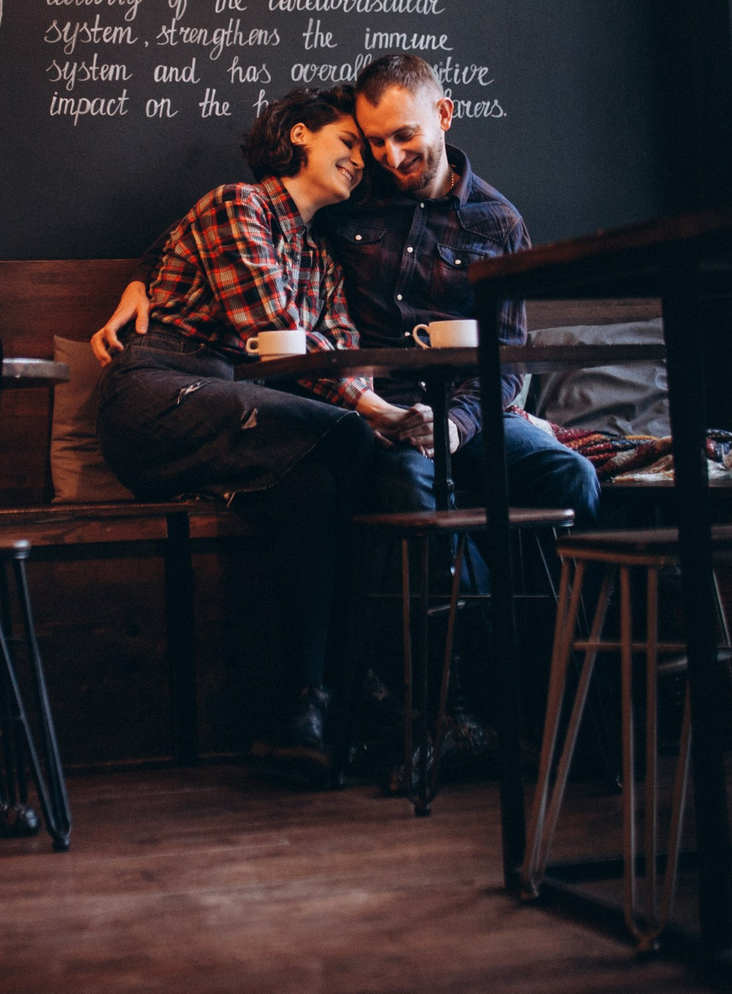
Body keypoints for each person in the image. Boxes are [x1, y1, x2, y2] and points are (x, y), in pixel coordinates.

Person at [92, 83, 433, 786]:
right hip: (158, 394)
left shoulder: (324, 263)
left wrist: (372, 406)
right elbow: (273, 333)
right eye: (349, 144)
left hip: (242, 410)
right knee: (356, 441)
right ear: (301, 135)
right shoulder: (236, 205)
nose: (361, 163)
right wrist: (375, 413)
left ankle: (301, 712)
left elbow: (341, 352)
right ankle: (366, 676)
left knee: (311, 487)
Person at [97, 53, 598, 526]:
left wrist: (456, 425)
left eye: (403, 136)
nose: (389, 157)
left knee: (571, 476)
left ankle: (565, 618)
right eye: (372, 141)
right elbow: (226, 224)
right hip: (377, 411)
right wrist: (144, 277)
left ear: (444, 114)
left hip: (469, 412)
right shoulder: (348, 196)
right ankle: (467, 617)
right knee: (401, 487)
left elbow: (507, 352)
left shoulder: (498, 223)